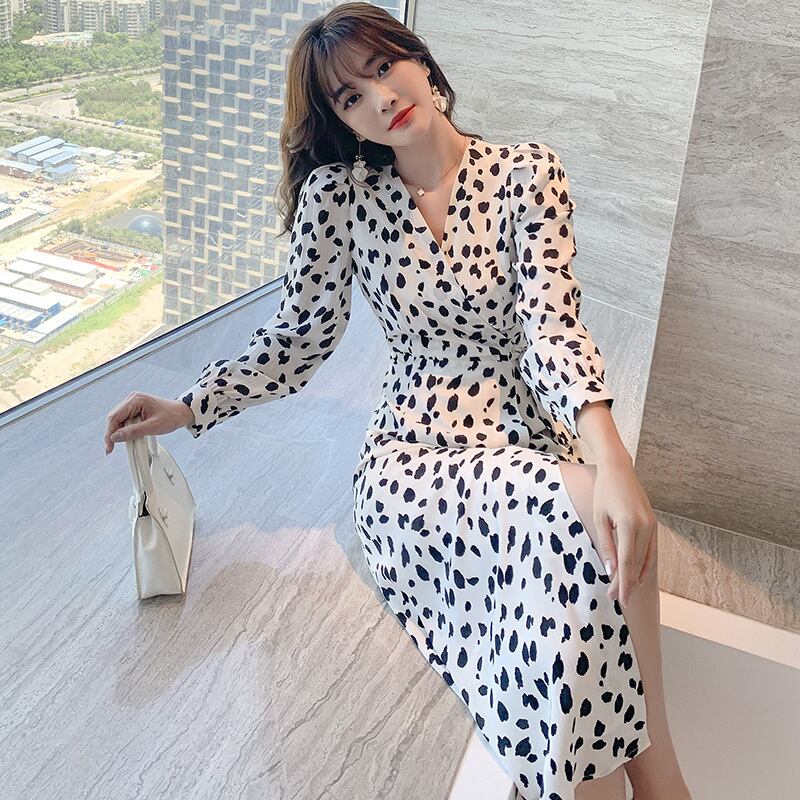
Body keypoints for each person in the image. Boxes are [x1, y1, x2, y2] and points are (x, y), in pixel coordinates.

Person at [104, 4, 693, 799]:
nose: (380, 98)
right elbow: (298, 340)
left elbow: (552, 326)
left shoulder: (527, 172)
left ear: (421, 61)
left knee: (601, 529)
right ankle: (655, 782)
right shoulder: (340, 200)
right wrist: (188, 405)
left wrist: (610, 454)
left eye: (384, 67)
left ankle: (652, 768)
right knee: (585, 516)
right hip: (414, 456)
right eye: (351, 97)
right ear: (343, 122)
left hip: (523, 431)